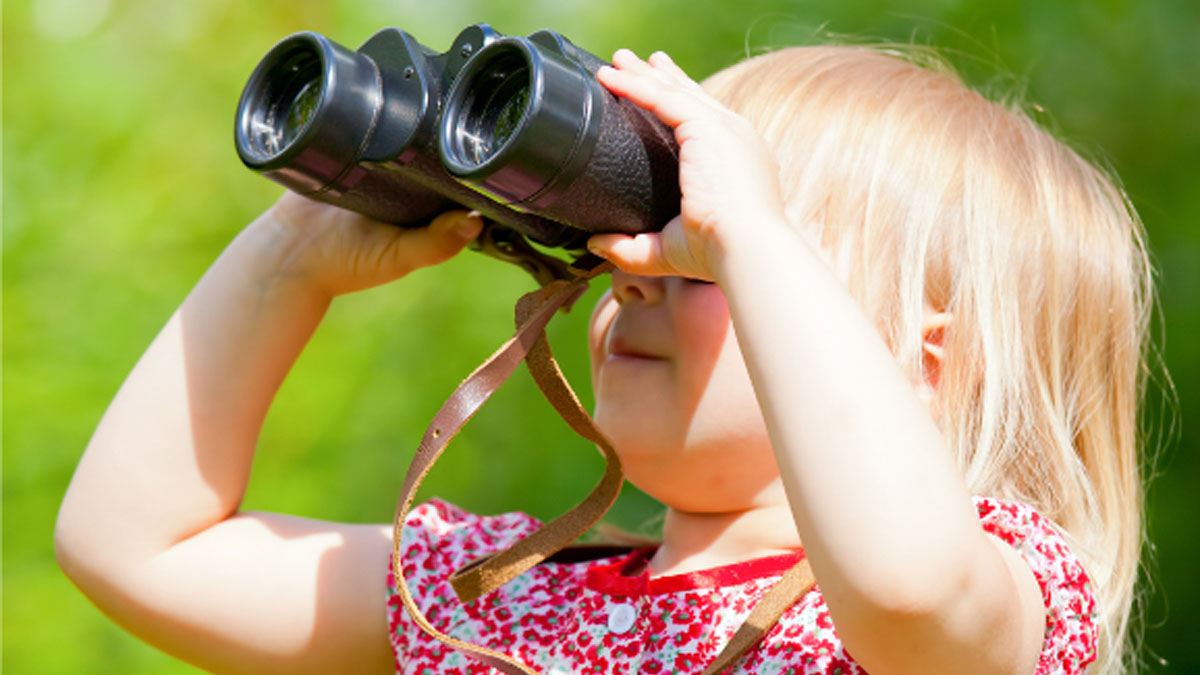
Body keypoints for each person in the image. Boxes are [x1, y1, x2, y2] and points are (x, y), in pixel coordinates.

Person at [54, 42, 1151, 675]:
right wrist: (290, 253)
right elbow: (137, 550)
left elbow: (905, 584)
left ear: (925, 364)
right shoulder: (512, 600)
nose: (633, 276)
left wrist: (753, 239)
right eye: (640, 233)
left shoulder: (993, 604)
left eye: (699, 253)